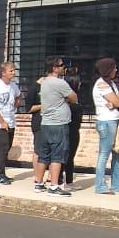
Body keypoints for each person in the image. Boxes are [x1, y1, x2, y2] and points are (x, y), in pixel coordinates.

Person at [37, 56, 75, 197]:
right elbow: (74, 97)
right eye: (61, 65)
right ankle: (54, 187)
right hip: (58, 124)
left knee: (44, 155)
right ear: (54, 68)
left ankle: (39, 183)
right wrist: (65, 99)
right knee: (57, 156)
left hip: (46, 123)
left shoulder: (45, 82)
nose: (63, 67)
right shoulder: (59, 83)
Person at [91, 58, 119, 195]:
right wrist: (118, 101)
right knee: (104, 154)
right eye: (114, 68)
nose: (116, 70)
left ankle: (116, 184)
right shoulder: (101, 84)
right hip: (106, 122)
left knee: (118, 153)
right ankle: (100, 185)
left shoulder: (110, 83)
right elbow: (118, 102)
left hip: (115, 120)